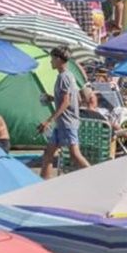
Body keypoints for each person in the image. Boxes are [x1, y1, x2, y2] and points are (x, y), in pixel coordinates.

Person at [38, 49, 88, 179]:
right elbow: (75, 99)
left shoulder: (63, 77)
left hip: (67, 123)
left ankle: (94, 176)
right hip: (62, 123)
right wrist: (53, 98)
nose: (51, 61)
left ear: (59, 59)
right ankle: (43, 182)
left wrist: (49, 120)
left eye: (53, 58)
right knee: (48, 153)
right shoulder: (69, 75)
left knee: (75, 154)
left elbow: (66, 102)